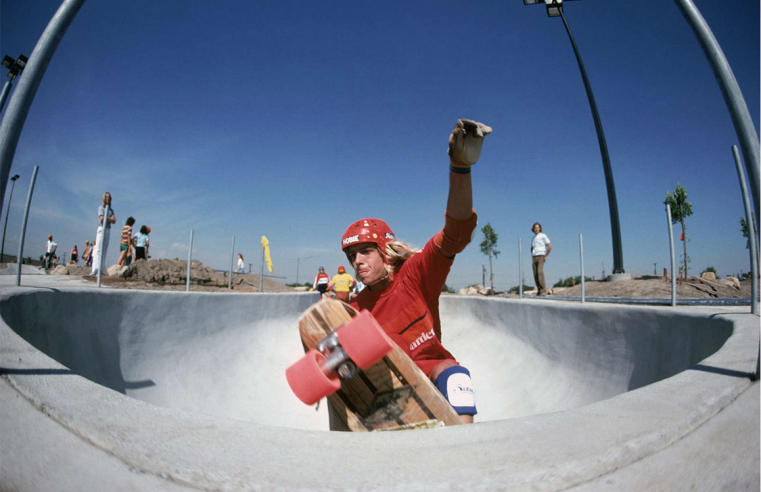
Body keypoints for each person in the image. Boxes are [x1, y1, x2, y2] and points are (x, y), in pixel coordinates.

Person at [340, 118, 491, 424]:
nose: (357, 261)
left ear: (386, 251)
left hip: (432, 369)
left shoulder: (416, 274)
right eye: (352, 255)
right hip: (388, 386)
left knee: (458, 380)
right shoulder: (355, 310)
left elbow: (456, 234)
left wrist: (460, 166)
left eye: (366, 251)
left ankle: (465, 448)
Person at [91, 192, 116, 275]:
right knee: (98, 249)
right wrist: (109, 218)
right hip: (102, 228)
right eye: (106, 197)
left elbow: (114, 220)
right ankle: (95, 269)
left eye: (109, 197)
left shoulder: (111, 210)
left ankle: (101, 270)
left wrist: (107, 218)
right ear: (104, 198)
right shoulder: (101, 208)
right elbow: (101, 218)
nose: (107, 198)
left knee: (104, 250)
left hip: (108, 229)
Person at [530, 222, 552, 296]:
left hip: (541, 256)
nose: (536, 229)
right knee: (535, 274)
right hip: (534, 257)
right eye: (535, 228)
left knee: (539, 272)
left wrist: (545, 255)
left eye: (537, 227)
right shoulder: (533, 238)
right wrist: (532, 254)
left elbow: (549, 246)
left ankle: (543, 290)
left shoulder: (543, 236)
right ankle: (539, 290)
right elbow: (531, 247)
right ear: (533, 229)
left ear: (540, 228)